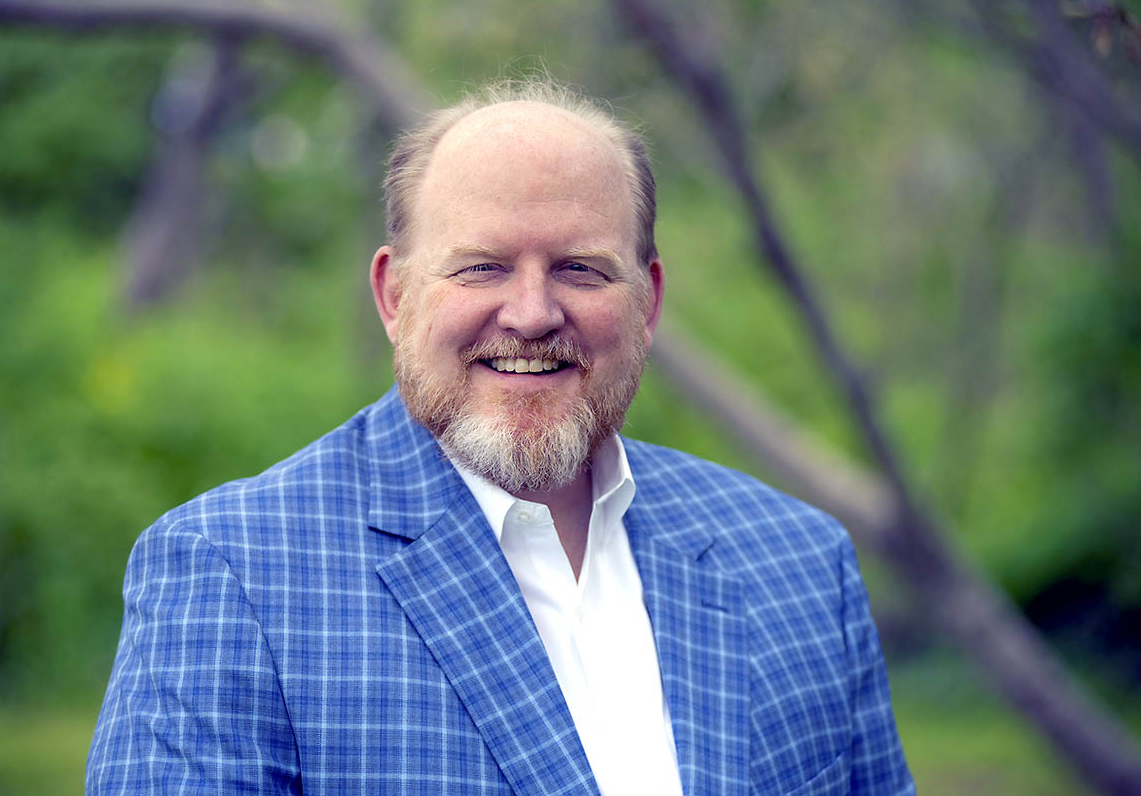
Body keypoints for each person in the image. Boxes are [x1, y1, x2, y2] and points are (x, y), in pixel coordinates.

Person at [87, 78, 914, 795]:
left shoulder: (801, 564)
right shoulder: (232, 574)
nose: (531, 313)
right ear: (395, 296)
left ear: (648, 303)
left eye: (581, 268)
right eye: (480, 266)